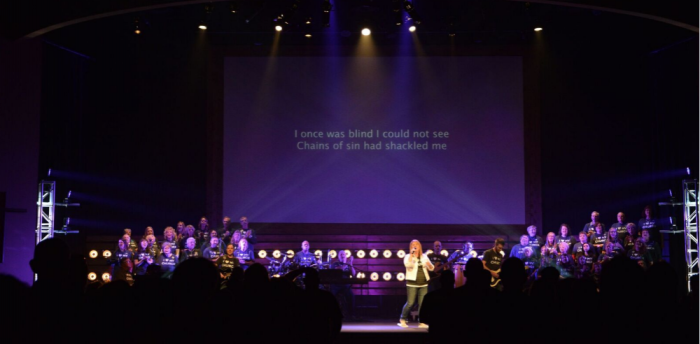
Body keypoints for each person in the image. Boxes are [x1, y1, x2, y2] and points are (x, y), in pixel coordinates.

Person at [398, 240, 434, 328]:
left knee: (422, 304)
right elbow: (408, 265)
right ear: (410, 247)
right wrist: (411, 255)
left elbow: (432, 268)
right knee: (410, 302)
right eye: (413, 245)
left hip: (423, 283)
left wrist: (429, 264)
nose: (415, 246)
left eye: (416, 244)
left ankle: (421, 322)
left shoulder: (424, 256)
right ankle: (402, 319)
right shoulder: (407, 256)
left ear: (419, 246)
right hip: (412, 283)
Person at [330, 249, 356, 319]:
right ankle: (330, 314)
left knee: (351, 296)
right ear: (339, 256)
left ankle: (351, 314)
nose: (342, 256)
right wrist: (347, 263)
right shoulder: (335, 264)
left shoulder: (348, 264)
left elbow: (353, 274)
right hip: (336, 285)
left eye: (343, 254)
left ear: (346, 256)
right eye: (341, 254)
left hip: (345, 285)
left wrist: (351, 264)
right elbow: (339, 270)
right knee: (331, 297)